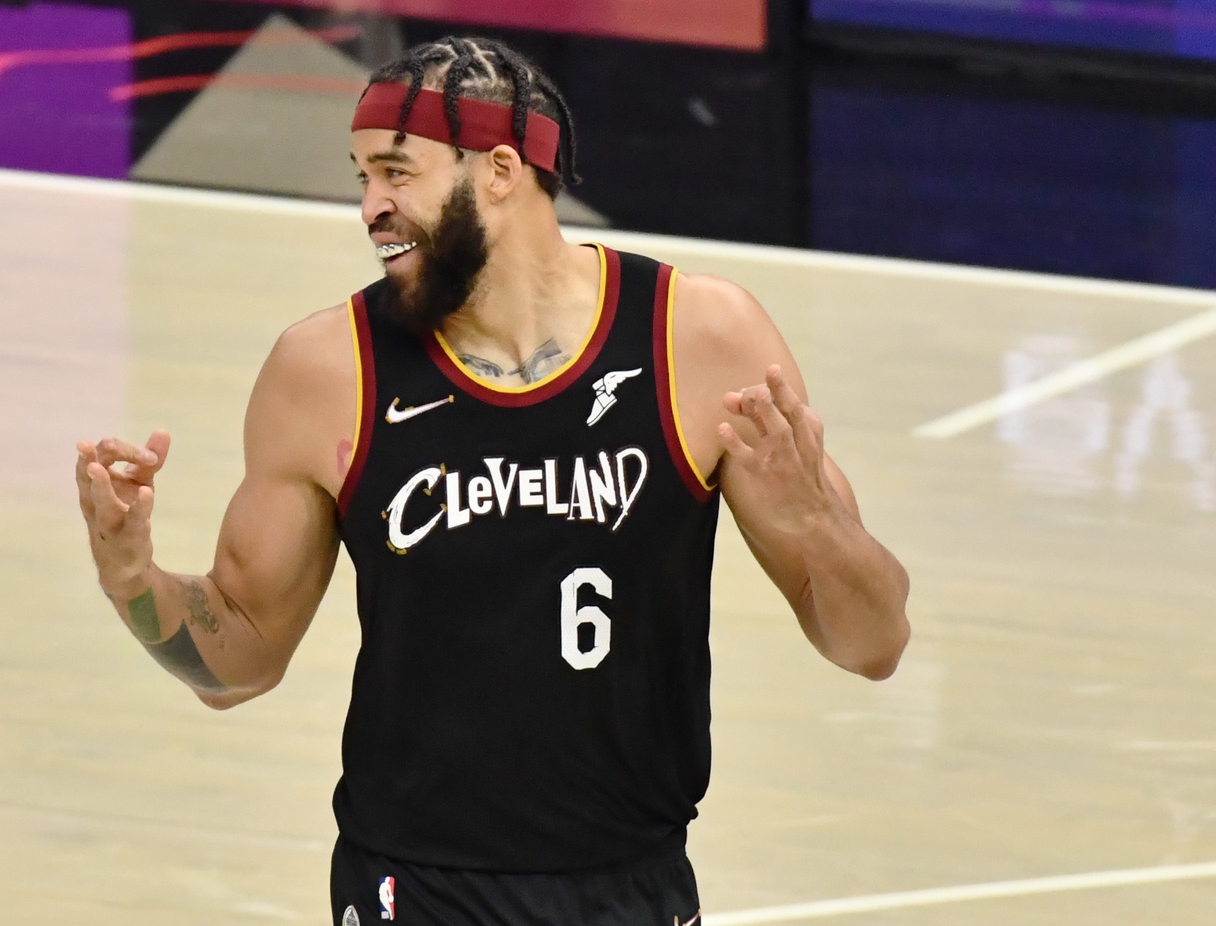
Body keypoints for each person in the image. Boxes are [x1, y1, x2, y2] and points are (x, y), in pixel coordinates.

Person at [75, 36, 910, 926]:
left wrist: (820, 524)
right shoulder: (327, 371)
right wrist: (133, 577)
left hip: (632, 885)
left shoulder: (694, 341)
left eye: (397, 173)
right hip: (412, 885)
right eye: (361, 177)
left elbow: (873, 645)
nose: (370, 207)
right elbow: (238, 660)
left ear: (502, 170)